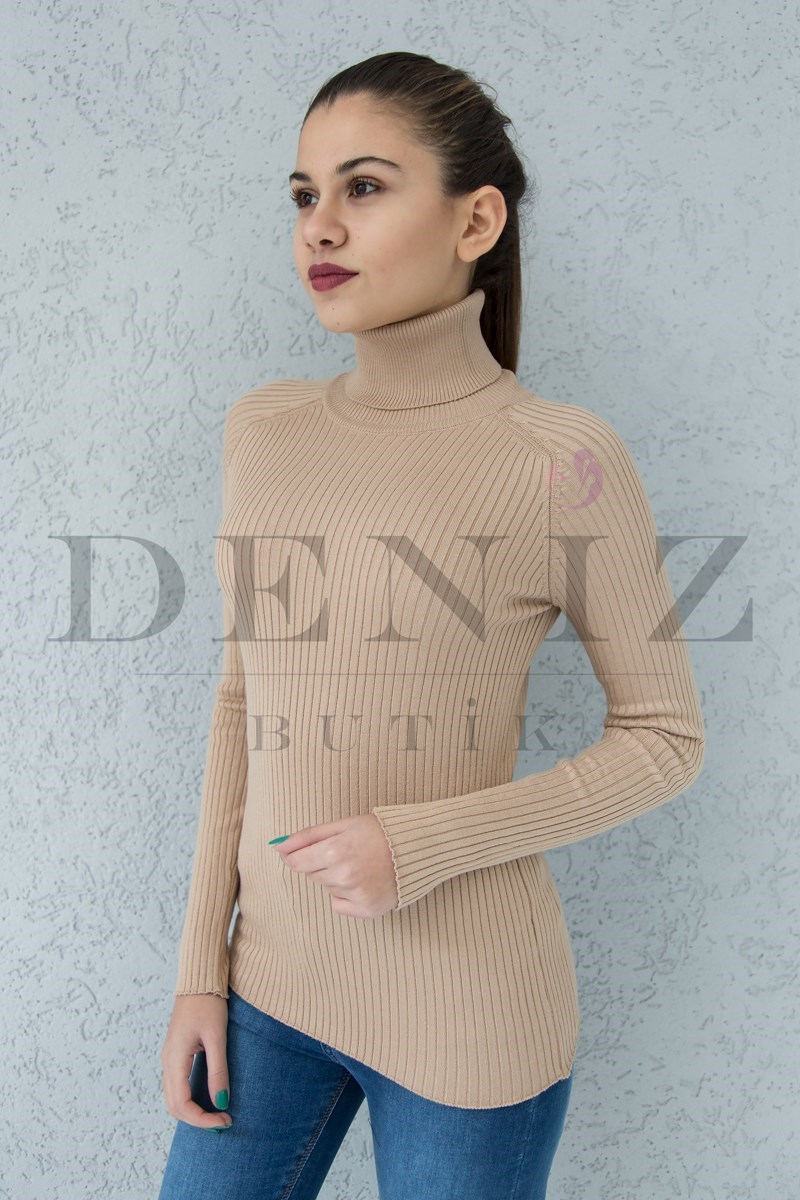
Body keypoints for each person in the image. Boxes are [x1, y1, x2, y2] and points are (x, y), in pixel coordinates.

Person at [158, 51, 705, 1200]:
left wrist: (421, 845)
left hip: (470, 1016)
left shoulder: (561, 459)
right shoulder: (263, 430)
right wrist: (199, 969)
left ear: (475, 220)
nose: (319, 226)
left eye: (362, 187)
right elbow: (242, 698)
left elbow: (663, 738)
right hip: (267, 991)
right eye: (303, 194)